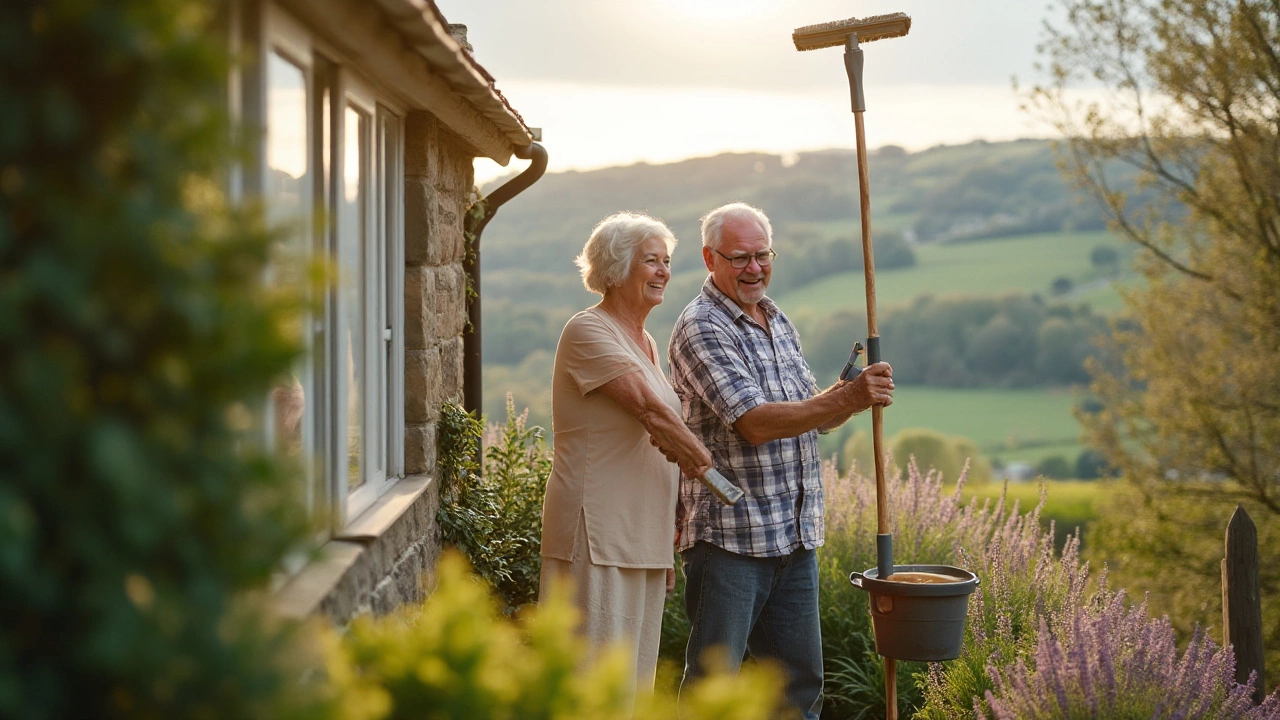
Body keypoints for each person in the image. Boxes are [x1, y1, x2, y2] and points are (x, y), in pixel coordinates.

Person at [667, 202, 895, 719]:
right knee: (713, 688)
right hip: (731, 541)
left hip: (794, 538)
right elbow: (755, 422)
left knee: (798, 690)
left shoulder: (775, 318)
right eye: (740, 257)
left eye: (762, 255)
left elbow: (808, 416)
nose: (754, 268)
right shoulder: (702, 326)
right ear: (709, 258)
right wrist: (847, 398)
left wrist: (853, 395)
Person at [539, 211, 714, 702]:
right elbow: (650, 411)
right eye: (650, 261)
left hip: (643, 532)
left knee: (632, 688)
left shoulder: (648, 343)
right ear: (616, 269)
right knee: (593, 686)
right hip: (596, 533)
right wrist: (713, 473)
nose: (663, 271)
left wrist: (678, 505)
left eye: (666, 261)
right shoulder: (587, 331)